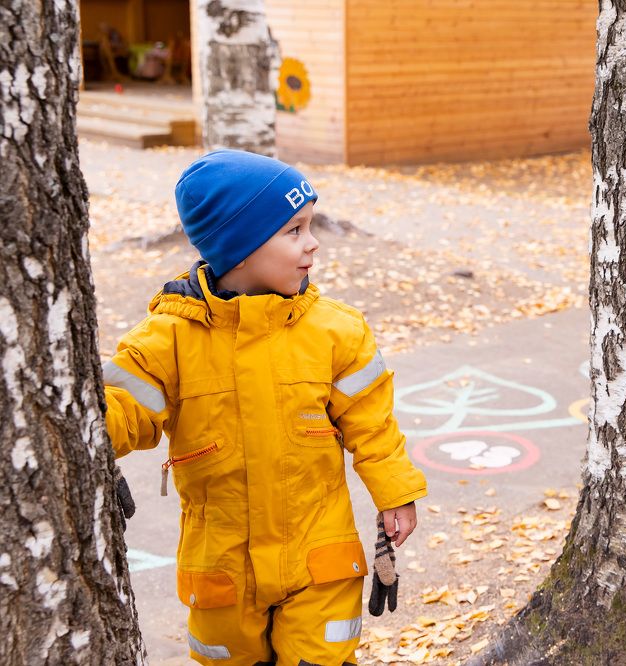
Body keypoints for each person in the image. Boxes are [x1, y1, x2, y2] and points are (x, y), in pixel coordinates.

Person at [103, 149, 427, 665]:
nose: (313, 243)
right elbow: (122, 410)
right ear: (241, 248)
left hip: (319, 559)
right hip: (221, 573)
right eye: (293, 230)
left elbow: (372, 424)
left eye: (311, 226)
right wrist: (84, 421)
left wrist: (396, 494)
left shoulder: (336, 331)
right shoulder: (169, 340)